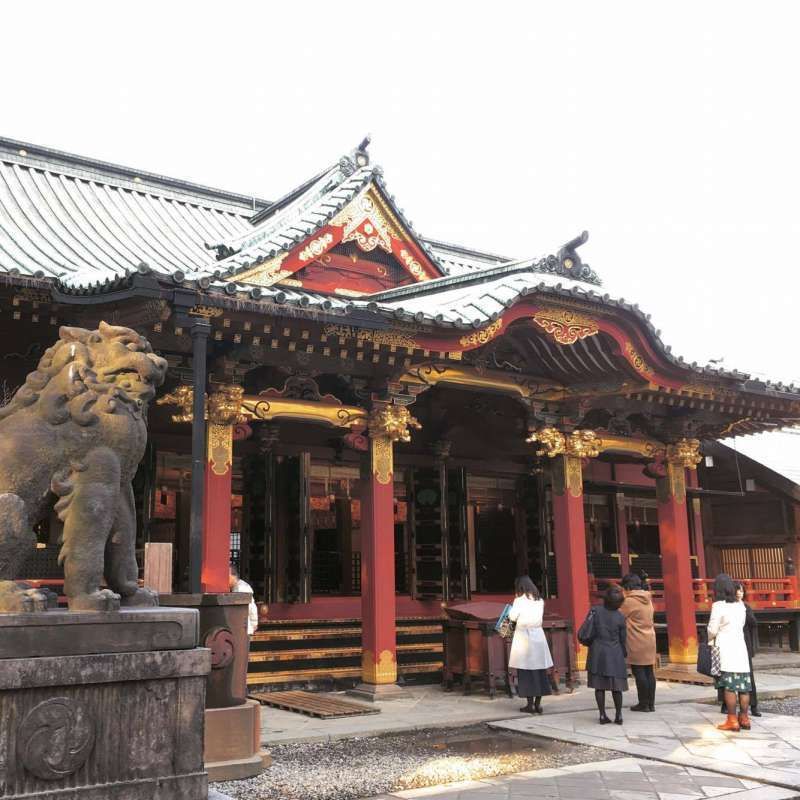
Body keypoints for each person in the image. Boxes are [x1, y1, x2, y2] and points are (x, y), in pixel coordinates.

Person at [708, 573, 752, 732]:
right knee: (743, 687)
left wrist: (710, 635)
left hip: (725, 648)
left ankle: (732, 720)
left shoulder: (718, 606)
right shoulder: (741, 606)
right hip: (740, 648)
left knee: (729, 687)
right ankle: (745, 718)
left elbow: (712, 629)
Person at [508, 576, 554, 714]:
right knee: (540, 671)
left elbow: (512, 617)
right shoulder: (539, 600)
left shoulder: (519, 601)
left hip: (524, 637)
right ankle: (538, 705)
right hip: (538, 636)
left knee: (526, 672)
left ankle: (529, 705)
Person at [585, 585, 629, 725]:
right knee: (617, 687)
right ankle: (619, 714)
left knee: (600, 686)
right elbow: (623, 638)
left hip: (598, 651)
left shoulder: (595, 611)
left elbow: (588, 628)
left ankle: (602, 715)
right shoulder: (620, 617)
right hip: (615, 652)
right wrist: (624, 652)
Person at [718, 583, 759, 717]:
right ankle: (726, 704)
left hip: (744, 645)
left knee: (748, 678)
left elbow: (753, 623)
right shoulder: (726, 606)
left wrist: (744, 610)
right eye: (737, 591)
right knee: (727, 676)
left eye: (742, 591)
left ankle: (753, 705)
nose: (740, 593)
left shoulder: (745, 607)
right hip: (729, 645)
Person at [620, 573, 657, 712]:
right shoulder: (648, 598)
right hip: (650, 638)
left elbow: (619, 615)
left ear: (628, 587)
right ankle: (651, 704)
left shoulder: (629, 601)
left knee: (639, 671)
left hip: (636, 639)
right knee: (649, 672)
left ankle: (643, 703)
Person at [229, 564, 259, 637]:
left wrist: (254, 623)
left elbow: (251, 607)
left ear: (233, 576)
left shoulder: (242, 588)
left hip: (244, 629)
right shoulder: (236, 587)